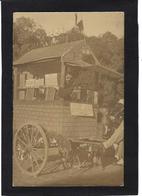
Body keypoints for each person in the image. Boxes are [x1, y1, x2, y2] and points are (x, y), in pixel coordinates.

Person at [99, 99, 124, 167]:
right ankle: (118, 157)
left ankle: (106, 145)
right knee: (122, 139)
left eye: (121, 105)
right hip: (118, 134)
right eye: (119, 105)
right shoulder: (118, 113)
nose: (120, 107)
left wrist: (115, 120)